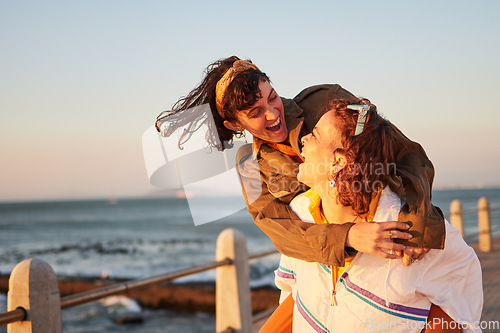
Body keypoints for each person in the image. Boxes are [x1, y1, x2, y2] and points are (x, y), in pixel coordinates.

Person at [155, 56, 444, 266]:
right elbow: (281, 231)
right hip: (323, 268)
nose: (272, 114)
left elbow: (406, 152)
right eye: (255, 112)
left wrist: (418, 226)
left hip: (390, 235)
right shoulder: (249, 166)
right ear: (234, 125)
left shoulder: (326, 101)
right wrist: (348, 237)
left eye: (272, 97)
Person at [270, 99, 482, 332]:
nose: (304, 138)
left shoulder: (406, 229)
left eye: (315, 136)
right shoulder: (300, 214)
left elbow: (464, 280)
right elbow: (293, 291)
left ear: (338, 162)